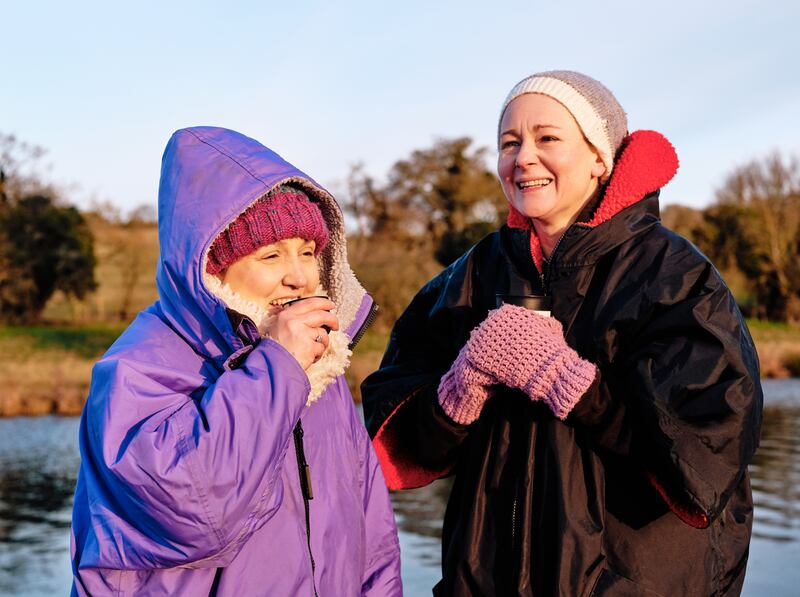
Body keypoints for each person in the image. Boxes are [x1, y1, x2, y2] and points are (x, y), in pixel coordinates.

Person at [362, 71, 762, 596]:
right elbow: (406, 440)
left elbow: (710, 448)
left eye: (547, 138)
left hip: (633, 582)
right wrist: (456, 394)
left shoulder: (674, 275)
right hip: (484, 578)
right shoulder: (474, 273)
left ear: (600, 158)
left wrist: (568, 380)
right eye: (510, 143)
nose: (523, 156)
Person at [71, 127, 402, 596]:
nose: (299, 275)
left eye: (307, 252)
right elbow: (192, 512)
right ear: (212, 265)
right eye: (271, 255)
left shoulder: (321, 368)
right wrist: (277, 367)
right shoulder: (137, 368)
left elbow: (373, 540)